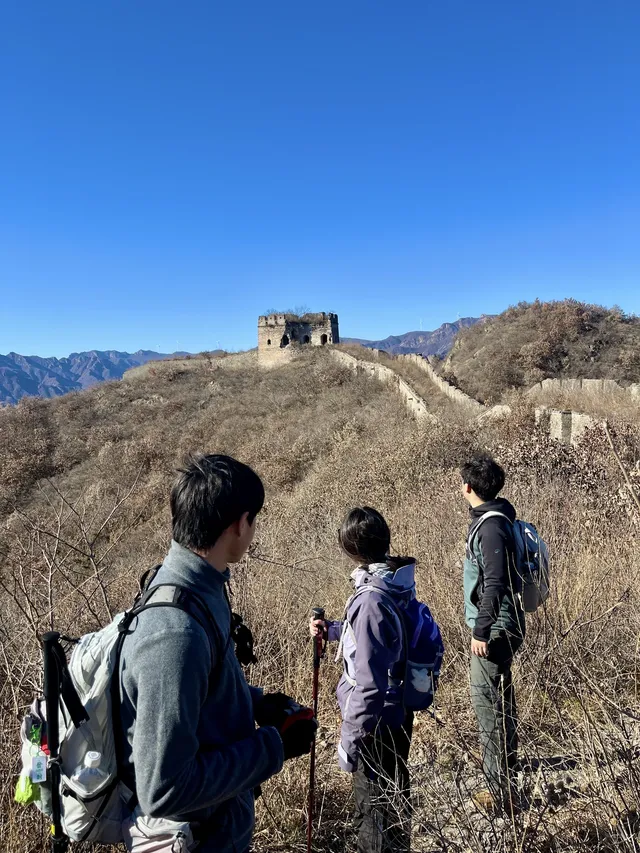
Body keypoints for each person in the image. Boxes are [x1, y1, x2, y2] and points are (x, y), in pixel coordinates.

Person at [116, 453, 317, 853]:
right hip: (200, 840)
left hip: (220, 827)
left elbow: (203, 688)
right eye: (254, 520)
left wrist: (257, 703)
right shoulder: (174, 635)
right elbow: (165, 790)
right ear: (240, 524)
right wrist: (274, 747)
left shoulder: (199, 587)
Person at [310, 506, 417, 853]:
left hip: (376, 720)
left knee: (372, 810)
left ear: (350, 549)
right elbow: (380, 639)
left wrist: (349, 739)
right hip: (398, 708)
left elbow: (369, 683)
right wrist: (335, 630)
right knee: (395, 793)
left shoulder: (369, 599)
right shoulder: (394, 581)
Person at [461, 454, 525, 813]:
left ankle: (498, 790)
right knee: (501, 693)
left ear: (468, 487)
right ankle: (508, 765)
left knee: (487, 701)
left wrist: (481, 630)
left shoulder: (490, 527)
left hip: (497, 625)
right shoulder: (499, 518)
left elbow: (496, 581)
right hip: (505, 621)